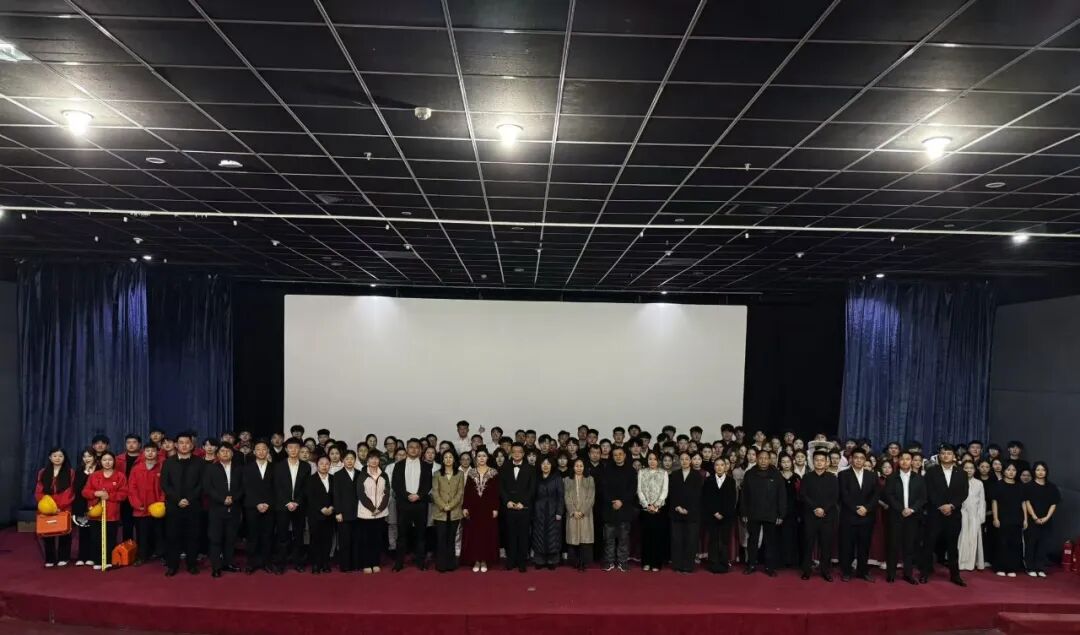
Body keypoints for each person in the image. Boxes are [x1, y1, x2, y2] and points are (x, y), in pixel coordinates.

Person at [921, 443, 968, 586]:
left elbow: (963, 493)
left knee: (952, 546)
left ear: (954, 456)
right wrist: (941, 506)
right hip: (935, 514)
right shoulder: (931, 472)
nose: (945, 455)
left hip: (953, 515)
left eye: (948, 453)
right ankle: (924, 573)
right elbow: (928, 491)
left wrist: (951, 505)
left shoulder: (961, 473)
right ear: (939, 456)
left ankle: (955, 575)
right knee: (929, 544)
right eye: (943, 453)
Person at [161, 432, 203, 576]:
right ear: (176, 445)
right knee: (173, 536)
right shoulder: (168, 462)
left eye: (187, 443)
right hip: (174, 505)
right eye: (181, 443)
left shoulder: (200, 462)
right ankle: (172, 565)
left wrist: (189, 499)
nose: (184, 445)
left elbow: (202, 484)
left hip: (194, 505)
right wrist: (177, 499)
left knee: (193, 536)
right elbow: (165, 484)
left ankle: (192, 564)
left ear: (192, 445)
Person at [883, 451, 925, 584]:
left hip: (912, 517)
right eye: (902, 459)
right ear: (898, 461)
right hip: (896, 516)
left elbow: (922, 497)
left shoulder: (919, 478)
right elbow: (889, 496)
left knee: (909, 546)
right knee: (893, 546)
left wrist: (912, 509)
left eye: (908, 459)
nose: (905, 461)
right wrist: (901, 509)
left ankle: (908, 574)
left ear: (912, 461)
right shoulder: (891, 477)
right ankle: (891, 573)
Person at [741, 449, 785, 577]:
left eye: (766, 458)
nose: (763, 461)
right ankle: (751, 565)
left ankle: (769, 567)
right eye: (761, 458)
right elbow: (744, 495)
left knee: (770, 541)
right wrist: (743, 512)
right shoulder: (749, 474)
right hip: (753, 512)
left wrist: (781, 514)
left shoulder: (776, 474)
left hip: (771, 513)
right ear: (756, 459)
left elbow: (781, 495)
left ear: (770, 460)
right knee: (752, 540)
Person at [82, 451, 127, 571]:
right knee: (96, 538)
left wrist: (109, 496)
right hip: (95, 513)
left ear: (114, 461)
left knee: (110, 538)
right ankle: (97, 560)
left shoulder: (120, 476)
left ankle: (108, 560)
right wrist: (95, 493)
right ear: (100, 462)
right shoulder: (94, 475)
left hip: (112, 513)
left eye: (110, 460)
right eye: (104, 460)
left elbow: (123, 494)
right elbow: (85, 492)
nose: (107, 462)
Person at [838, 448, 879, 582]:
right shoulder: (843, 474)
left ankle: (862, 571)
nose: (859, 460)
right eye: (856, 458)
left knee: (864, 546)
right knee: (847, 546)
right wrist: (856, 509)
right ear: (851, 459)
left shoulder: (872, 475)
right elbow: (844, 495)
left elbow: (875, 495)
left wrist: (866, 508)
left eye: (862, 458)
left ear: (865, 460)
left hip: (867, 517)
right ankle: (847, 571)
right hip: (849, 516)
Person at [392, 438, 432, 571]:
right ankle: (399, 563)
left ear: (420, 450)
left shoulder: (426, 466)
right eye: (411, 447)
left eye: (416, 447)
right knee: (402, 535)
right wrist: (407, 495)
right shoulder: (398, 465)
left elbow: (428, 484)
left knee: (421, 535)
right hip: (404, 504)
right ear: (407, 449)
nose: (414, 449)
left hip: (420, 504)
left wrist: (419, 495)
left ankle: (420, 563)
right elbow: (395, 485)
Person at [273, 437, 311, 574]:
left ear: (300, 449)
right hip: (282, 506)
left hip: (299, 506)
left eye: (296, 447)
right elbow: (277, 487)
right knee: (282, 536)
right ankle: (281, 564)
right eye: (290, 448)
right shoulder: (278, 466)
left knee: (298, 535)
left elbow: (306, 488)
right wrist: (287, 502)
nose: (293, 450)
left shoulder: (306, 466)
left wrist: (297, 502)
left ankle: (298, 562)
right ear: (286, 449)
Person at [206, 442, 243, 578]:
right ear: (218, 454)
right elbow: (208, 488)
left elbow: (243, 487)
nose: (225, 453)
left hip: (234, 508)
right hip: (216, 509)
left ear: (232, 454)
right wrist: (222, 499)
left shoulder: (239, 468)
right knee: (215, 538)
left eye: (228, 451)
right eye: (222, 451)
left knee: (230, 538)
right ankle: (216, 566)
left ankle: (228, 563)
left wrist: (233, 498)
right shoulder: (211, 468)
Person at [800, 451, 838, 581]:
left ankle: (825, 571)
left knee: (826, 545)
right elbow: (803, 495)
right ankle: (806, 570)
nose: (819, 462)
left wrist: (824, 509)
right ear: (813, 461)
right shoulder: (807, 477)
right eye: (817, 460)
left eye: (822, 460)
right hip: (810, 516)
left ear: (827, 462)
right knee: (808, 544)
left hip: (827, 517)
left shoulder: (832, 478)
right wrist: (815, 508)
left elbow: (835, 497)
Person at [35, 447, 75, 568]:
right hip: (47, 506)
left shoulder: (70, 472)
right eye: (55, 456)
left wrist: (59, 506)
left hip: (64, 506)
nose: (57, 458)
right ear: (50, 457)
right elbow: (39, 490)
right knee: (48, 532)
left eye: (60, 456)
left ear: (64, 458)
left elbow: (70, 491)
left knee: (64, 533)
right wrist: (48, 506)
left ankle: (64, 557)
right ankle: (50, 558)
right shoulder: (43, 472)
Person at [462, 448, 499, 573]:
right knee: (475, 535)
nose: (481, 458)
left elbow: (496, 492)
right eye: (479, 456)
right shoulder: (471, 472)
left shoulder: (493, 472)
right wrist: (465, 507)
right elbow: (467, 491)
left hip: (488, 508)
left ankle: (484, 560)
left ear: (487, 458)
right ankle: (476, 560)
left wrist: (495, 508)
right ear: (475, 458)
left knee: (486, 534)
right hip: (474, 508)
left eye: (484, 456)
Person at [127, 443, 165, 565]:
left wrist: (161, 502)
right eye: (147, 451)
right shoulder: (136, 469)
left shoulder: (162, 468)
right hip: (141, 509)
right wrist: (137, 504)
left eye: (153, 451)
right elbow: (131, 488)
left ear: (157, 452)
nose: (150, 453)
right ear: (143, 452)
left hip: (157, 508)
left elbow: (165, 487)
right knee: (142, 534)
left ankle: (161, 555)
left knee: (159, 533)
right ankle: (142, 556)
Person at [500, 442, 536, 572]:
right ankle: (511, 560)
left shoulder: (531, 468)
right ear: (511, 453)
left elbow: (532, 489)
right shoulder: (504, 467)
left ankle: (522, 562)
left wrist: (524, 503)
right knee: (510, 535)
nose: (516, 454)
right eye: (514, 451)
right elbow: (501, 487)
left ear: (523, 453)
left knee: (523, 535)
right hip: (509, 507)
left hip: (524, 508)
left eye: (519, 451)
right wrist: (507, 501)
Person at [601, 446, 637, 572]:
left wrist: (621, 501)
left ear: (625, 455)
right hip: (609, 508)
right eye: (615, 455)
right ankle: (609, 561)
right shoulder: (607, 470)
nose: (618, 457)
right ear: (612, 456)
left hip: (625, 508)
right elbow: (603, 488)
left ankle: (622, 562)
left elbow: (632, 489)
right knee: (609, 538)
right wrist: (612, 501)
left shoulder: (631, 471)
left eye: (620, 454)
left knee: (624, 538)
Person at [241, 439, 275, 574]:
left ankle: (267, 562)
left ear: (268, 451)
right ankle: (251, 563)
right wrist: (257, 503)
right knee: (252, 536)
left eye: (264, 449)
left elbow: (277, 488)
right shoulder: (246, 468)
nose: (261, 452)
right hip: (252, 506)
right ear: (254, 452)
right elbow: (245, 488)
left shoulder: (275, 467)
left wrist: (267, 503)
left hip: (269, 506)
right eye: (258, 449)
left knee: (267, 536)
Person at [668, 451, 702, 574]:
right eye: (682, 459)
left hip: (692, 513)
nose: (684, 461)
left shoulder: (697, 475)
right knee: (677, 540)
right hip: (676, 512)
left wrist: (689, 509)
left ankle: (688, 566)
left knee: (690, 540)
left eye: (687, 459)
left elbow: (698, 495)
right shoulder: (674, 474)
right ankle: (677, 565)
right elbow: (671, 493)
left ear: (691, 461)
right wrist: (677, 506)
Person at [1024, 461, 1059, 577]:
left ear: (1046, 472)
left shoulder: (1052, 487)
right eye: (1038, 470)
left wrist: (1047, 517)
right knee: (1031, 544)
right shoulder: (1029, 486)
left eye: (1043, 470)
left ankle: (1040, 568)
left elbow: (1054, 503)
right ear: (1034, 471)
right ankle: (1030, 567)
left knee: (1043, 545)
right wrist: (1034, 517)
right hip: (1032, 520)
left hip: (1046, 520)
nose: (1040, 472)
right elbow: (1027, 502)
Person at [431, 449, 464, 572]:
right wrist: (443, 506)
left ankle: (451, 564)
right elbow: (435, 492)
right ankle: (441, 565)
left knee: (451, 538)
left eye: (450, 457)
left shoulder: (460, 474)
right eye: (446, 457)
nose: (448, 459)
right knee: (441, 538)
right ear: (442, 460)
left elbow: (460, 492)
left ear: (454, 459)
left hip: (455, 511)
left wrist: (451, 505)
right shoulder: (437, 474)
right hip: (440, 511)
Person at [357, 450, 390, 573]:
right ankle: (366, 563)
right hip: (366, 513)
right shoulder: (362, 475)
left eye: (376, 458)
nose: (374, 461)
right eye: (371, 458)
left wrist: (380, 509)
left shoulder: (384, 475)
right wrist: (372, 508)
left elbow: (387, 493)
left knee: (377, 539)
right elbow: (361, 494)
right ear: (367, 460)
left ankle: (375, 562)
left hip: (380, 513)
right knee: (366, 539)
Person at [702, 456, 737, 574]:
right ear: (714, 467)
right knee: (713, 540)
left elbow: (732, 500)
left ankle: (723, 564)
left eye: (722, 465)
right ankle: (713, 563)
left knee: (724, 540)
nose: (719, 467)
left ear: (726, 467)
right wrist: (715, 512)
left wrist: (723, 513)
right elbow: (706, 498)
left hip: (726, 517)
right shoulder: (708, 480)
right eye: (717, 465)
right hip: (712, 516)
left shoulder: (731, 481)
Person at [636, 451, 668, 572]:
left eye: (655, 459)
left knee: (657, 537)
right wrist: (647, 505)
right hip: (645, 509)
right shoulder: (642, 472)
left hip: (659, 510)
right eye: (650, 459)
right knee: (646, 537)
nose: (652, 461)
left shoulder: (663, 473)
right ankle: (646, 562)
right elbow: (639, 490)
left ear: (658, 461)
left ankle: (656, 563)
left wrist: (656, 505)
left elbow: (665, 490)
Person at [992, 463, 1026, 577]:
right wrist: (995, 518)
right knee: (1002, 543)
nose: (1011, 472)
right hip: (1002, 518)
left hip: (1016, 518)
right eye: (1008, 469)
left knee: (1015, 544)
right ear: (1004, 471)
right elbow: (994, 502)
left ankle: (1012, 568)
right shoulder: (998, 485)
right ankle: (1000, 567)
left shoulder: (1020, 486)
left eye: (1013, 470)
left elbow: (1023, 503)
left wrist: (1025, 519)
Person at [532, 456, 565, 569]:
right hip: (539, 510)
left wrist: (559, 512)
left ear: (552, 465)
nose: (545, 466)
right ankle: (539, 560)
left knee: (553, 535)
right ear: (540, 465)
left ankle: (552, 561)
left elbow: (561, 496)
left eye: (548, 464)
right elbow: (533, 495)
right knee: (538, 535)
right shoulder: (536, 478)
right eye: (543, 464)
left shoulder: (557, 478)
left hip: (553, 510)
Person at [304, 455, 335, 575]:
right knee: (315, 540)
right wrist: (321, 508)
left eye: (327, 464)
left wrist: (332, 507)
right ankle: (316, 564)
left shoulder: (333, 479)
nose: (324, 466)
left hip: (330, 514)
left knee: (328, 539)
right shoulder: (310, 479)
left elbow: (337, 495)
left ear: (330, 465)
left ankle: (326, 563)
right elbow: (310, 497)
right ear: (317, 466)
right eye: (321, 464)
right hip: (315, 515)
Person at [564, 458, 595, 572]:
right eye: (576, 466)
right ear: (573, 467)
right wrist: (573, 511)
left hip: (585, 514)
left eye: (581, 466)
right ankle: (575, 562)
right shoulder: (567, 480)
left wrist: (582, 511)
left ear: (584, 467)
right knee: (573, 538)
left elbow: (591, 497)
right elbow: (566, 497)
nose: (579, 468)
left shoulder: (590, 479)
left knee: (585, 539)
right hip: (572, 514)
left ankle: (584, 562)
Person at [332, 450, 361, 572]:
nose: (349, 461)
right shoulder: (338, 475)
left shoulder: (360, 474)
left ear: (355, 460)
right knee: (344, 541)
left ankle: (356, 564)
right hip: (343, 513)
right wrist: (338, 512)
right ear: (343, 460)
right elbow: (336, 495)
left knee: (356, 540)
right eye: (347, 459)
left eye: (352, 459)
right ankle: (345, 566)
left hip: (359, 512)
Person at [957, 460, 985, 571]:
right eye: (966, 468)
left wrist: (981, 516)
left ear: (975, 470)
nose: (969, 470)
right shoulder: (957, 482)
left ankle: (971, 563)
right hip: (961, 514)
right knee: (962, 538)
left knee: (973, 539)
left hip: (974, 515)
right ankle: (960, 562)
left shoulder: (979, 483)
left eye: (971, 468)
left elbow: (982, 501)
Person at [72, 449, 98, 567]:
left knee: (94, 532)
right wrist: (86, 472)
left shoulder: (100, 469)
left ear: (94, 457)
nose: (87, 459)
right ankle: (82, 556)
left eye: (89, 456)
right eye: (84, 456)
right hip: (81, 505)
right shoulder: (79, 470)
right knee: (83, 532)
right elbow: (77, 488)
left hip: (95, 504)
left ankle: (92, 556)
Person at [778, 454, 801, 568]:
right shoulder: (777, 476)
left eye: (788, 461)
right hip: (780, 511)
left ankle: (792, 560)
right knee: (780, 536)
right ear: (780, 463)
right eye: (783, 462)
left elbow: (800, 495)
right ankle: (781, 560)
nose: (786, 464)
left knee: (793, 535)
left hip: (794, 511)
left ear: (792, 463)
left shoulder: (796, 477)